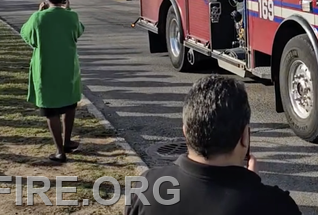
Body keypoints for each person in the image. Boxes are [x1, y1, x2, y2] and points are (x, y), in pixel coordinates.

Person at [126, 75, 302, 214]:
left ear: (186, 132)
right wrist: (253, 189)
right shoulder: (276, 206)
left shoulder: (148, 187)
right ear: (245, 137)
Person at [20, 0, 84, 162]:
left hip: (46, 70)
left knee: (51, 111)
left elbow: (26, 35)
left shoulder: (38, 18)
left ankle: (59, 151)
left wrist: (40, 12)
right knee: (70, 104)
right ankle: (68, 141)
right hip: (68, 69)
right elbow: (78, 32)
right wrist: (69, 10)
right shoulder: (72, 17)